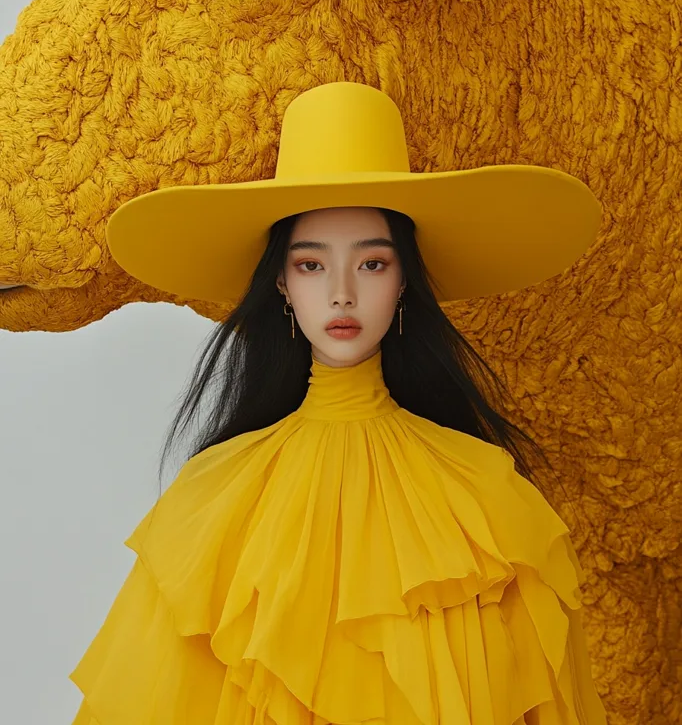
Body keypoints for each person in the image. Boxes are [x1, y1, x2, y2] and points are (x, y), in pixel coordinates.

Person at [72, 82, 607, 723]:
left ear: (404, 279)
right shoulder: (213, 501)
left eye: (373, 263)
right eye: (312, 265)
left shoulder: (487, 502)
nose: (342, 293)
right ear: (281, 282)